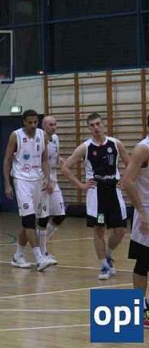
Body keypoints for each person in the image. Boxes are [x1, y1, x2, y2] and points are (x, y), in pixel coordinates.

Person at [61, 112, 130, 280]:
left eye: (98, 124)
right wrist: (81, 185)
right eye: (92, 125)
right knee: (99, 230)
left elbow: (130, 164)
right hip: (96, 193)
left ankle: (108, 253)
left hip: (114, 191)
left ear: (103, 124)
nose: (96, 128)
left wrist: (125, 180)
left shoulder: (115, 144)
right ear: (88, 128)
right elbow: (65, 168)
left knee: (121, 230)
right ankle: (104, 266)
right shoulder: (85, 147)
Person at [3, 109, 54, 272]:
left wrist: (47, 177)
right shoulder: (15, 136)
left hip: (38, 181)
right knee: (29, 219)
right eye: (29, 122)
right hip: (21, 180)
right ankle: (39, 258)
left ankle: (18, 255)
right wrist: (7, 184)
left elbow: (45, 159)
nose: (33, 125)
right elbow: (7, 160)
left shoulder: (42, 135)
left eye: (35, 122)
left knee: (28, 221)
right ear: (24, 122)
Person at [120, 114, 149, 328]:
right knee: (144, 262)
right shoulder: (143, 148)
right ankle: (139, 309)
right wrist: (142, 212)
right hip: (146, 210)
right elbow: (127, 181)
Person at [37, 116, 67, 264]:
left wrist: (59, 159)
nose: (53, 127)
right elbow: (39, 161)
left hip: (54, 180)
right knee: (43, 217)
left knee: (60, 215)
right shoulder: (38, 140)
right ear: (43, 125)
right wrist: (46, 180)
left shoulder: (55, 138)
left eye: (55, 124)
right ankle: (42, 252)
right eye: (50, 124)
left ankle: (40, 244)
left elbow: (53, 157)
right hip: (42, 181)